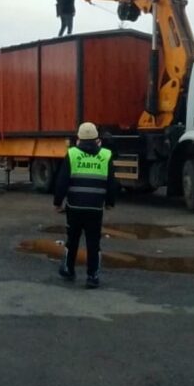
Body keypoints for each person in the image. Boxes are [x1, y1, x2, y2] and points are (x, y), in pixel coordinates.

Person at [53, 122, 117, 289]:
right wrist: (110, 202)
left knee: (72, 238)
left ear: (78, 139)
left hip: (74, 207)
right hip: (95, 208)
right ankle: (92, 276)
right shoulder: (106, 155)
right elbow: (111, 183)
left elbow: (62, 181)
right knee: (93, 242)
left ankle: (68, 269)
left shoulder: (72, 154)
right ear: (97, 139)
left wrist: (57, 202)